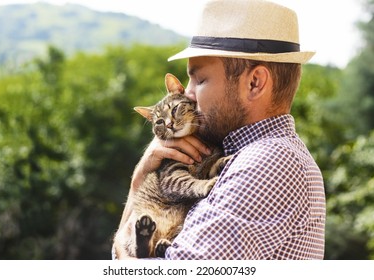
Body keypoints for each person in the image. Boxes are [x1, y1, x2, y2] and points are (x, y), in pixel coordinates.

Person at [116, 0, 326, 259]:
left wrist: (120, 249)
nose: (188, 94)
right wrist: (143, 175)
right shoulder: (241, 156)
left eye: (200, 79)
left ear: (255, 83)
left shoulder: (268, 161)